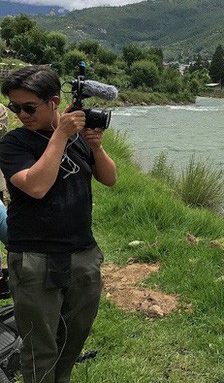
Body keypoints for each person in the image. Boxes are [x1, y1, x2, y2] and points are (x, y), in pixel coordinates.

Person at [0, 65, 117, 383]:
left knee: (72, 341)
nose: (21, 114)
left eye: (28, 107)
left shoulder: (76, 140)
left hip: (82, 256)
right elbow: (35, 186)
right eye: (14, 107)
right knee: (40, 349)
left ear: (53, 102)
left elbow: (109, 178)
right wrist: (61, 134)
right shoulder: (14, 144)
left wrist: (95, 146)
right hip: (35, 260)